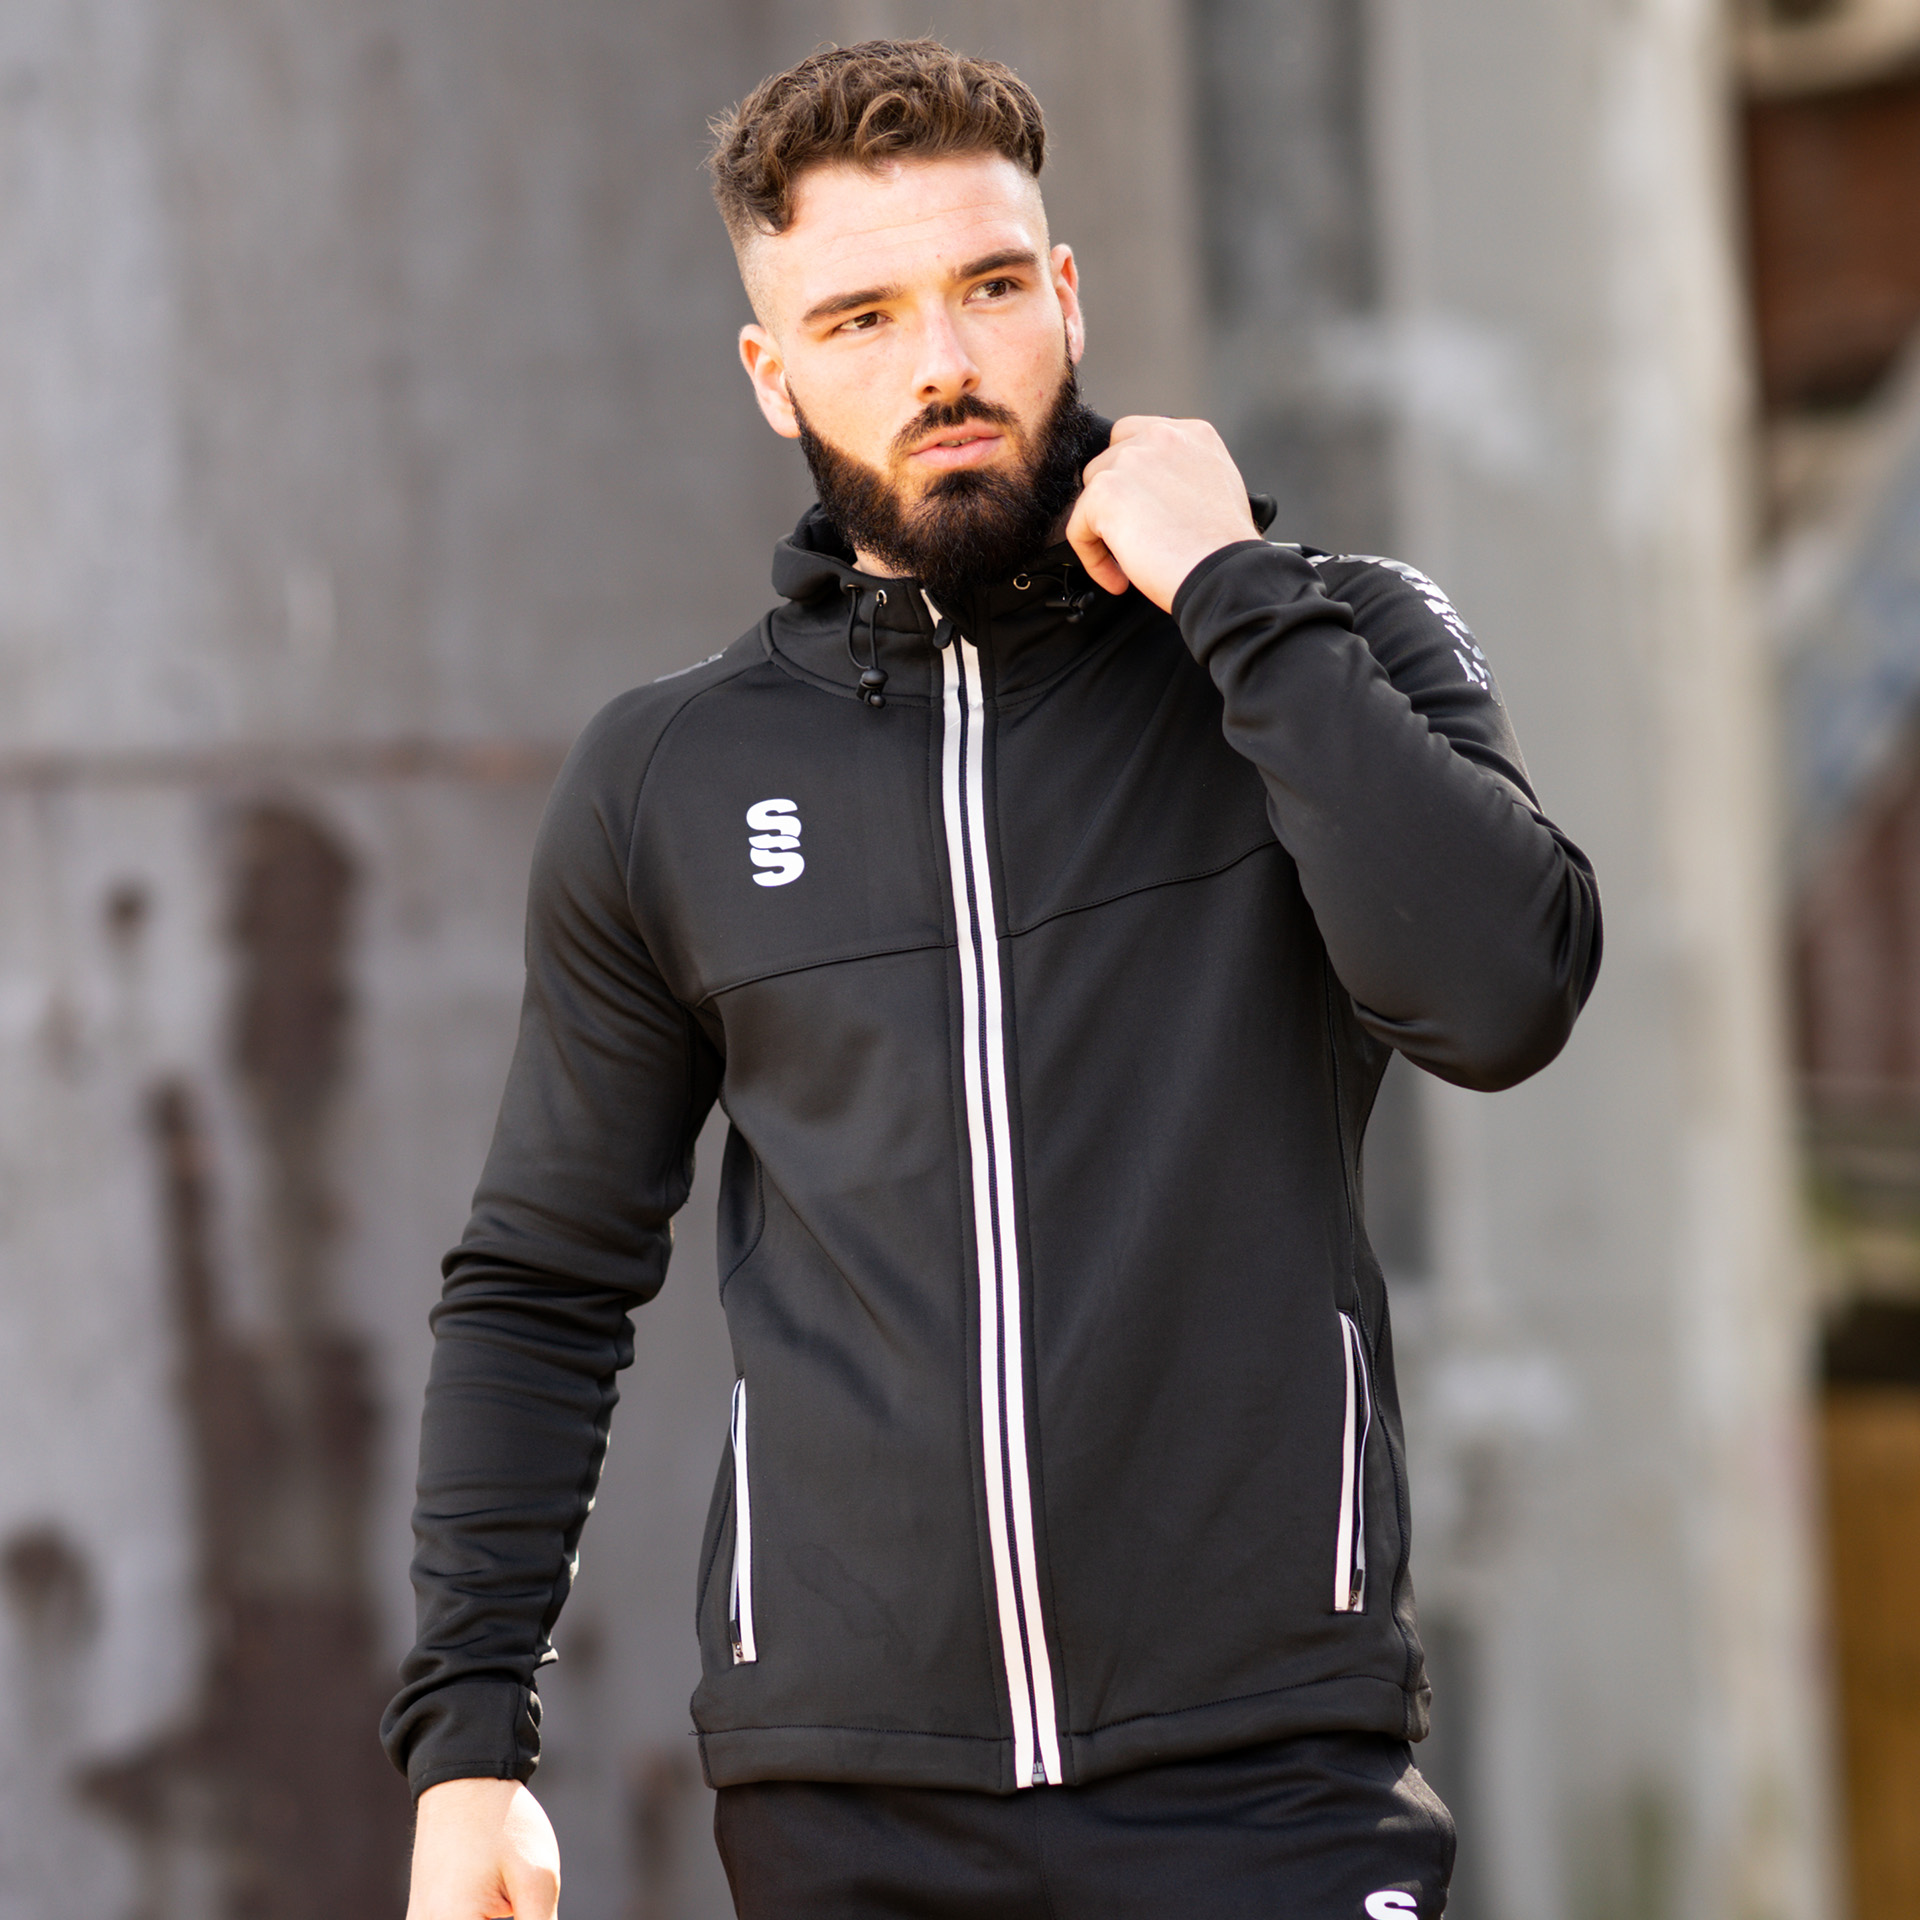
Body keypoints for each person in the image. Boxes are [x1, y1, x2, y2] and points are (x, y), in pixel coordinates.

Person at [385, 38, 1601, 1920]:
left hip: (1270, 1775)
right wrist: (471, 1743)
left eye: (990, 286)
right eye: (861, 317)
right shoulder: (670, 779)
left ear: (1068, 298)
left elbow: (1501, 993)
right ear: (772, 371)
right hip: (852, 1806)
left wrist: (1234, 592)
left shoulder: (1319, 640)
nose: (943, 360)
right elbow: (544, 1281)